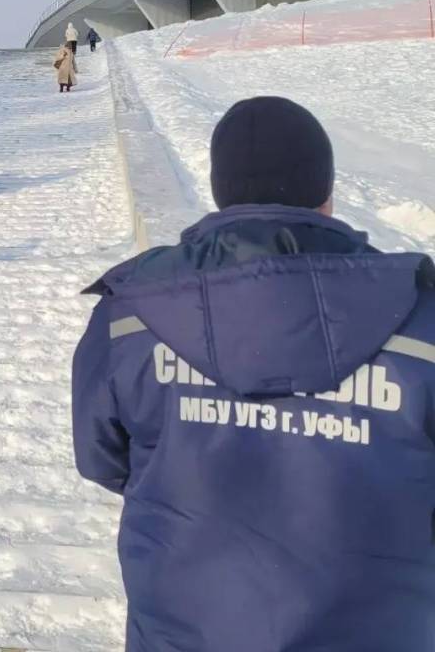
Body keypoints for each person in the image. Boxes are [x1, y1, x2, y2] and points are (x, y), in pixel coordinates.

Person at [72, 96, 435, 652]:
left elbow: (101, 456)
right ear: (327, 195)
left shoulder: (134, 315)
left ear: (220, 192)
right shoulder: (419, 323)